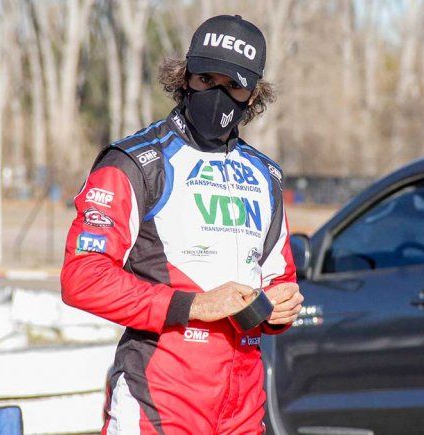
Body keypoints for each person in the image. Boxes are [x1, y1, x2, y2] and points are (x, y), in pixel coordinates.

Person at [60, 15, 303, 434]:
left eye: (234, 85)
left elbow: (278, 280)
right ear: (184, 76)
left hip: (243, 409)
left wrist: (281, 308)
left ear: (254, 95)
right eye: (207, 78)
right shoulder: (135, 162)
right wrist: (193, 305)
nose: (218, 94)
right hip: (160, 404)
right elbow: (82, 277)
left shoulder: (266, 176)